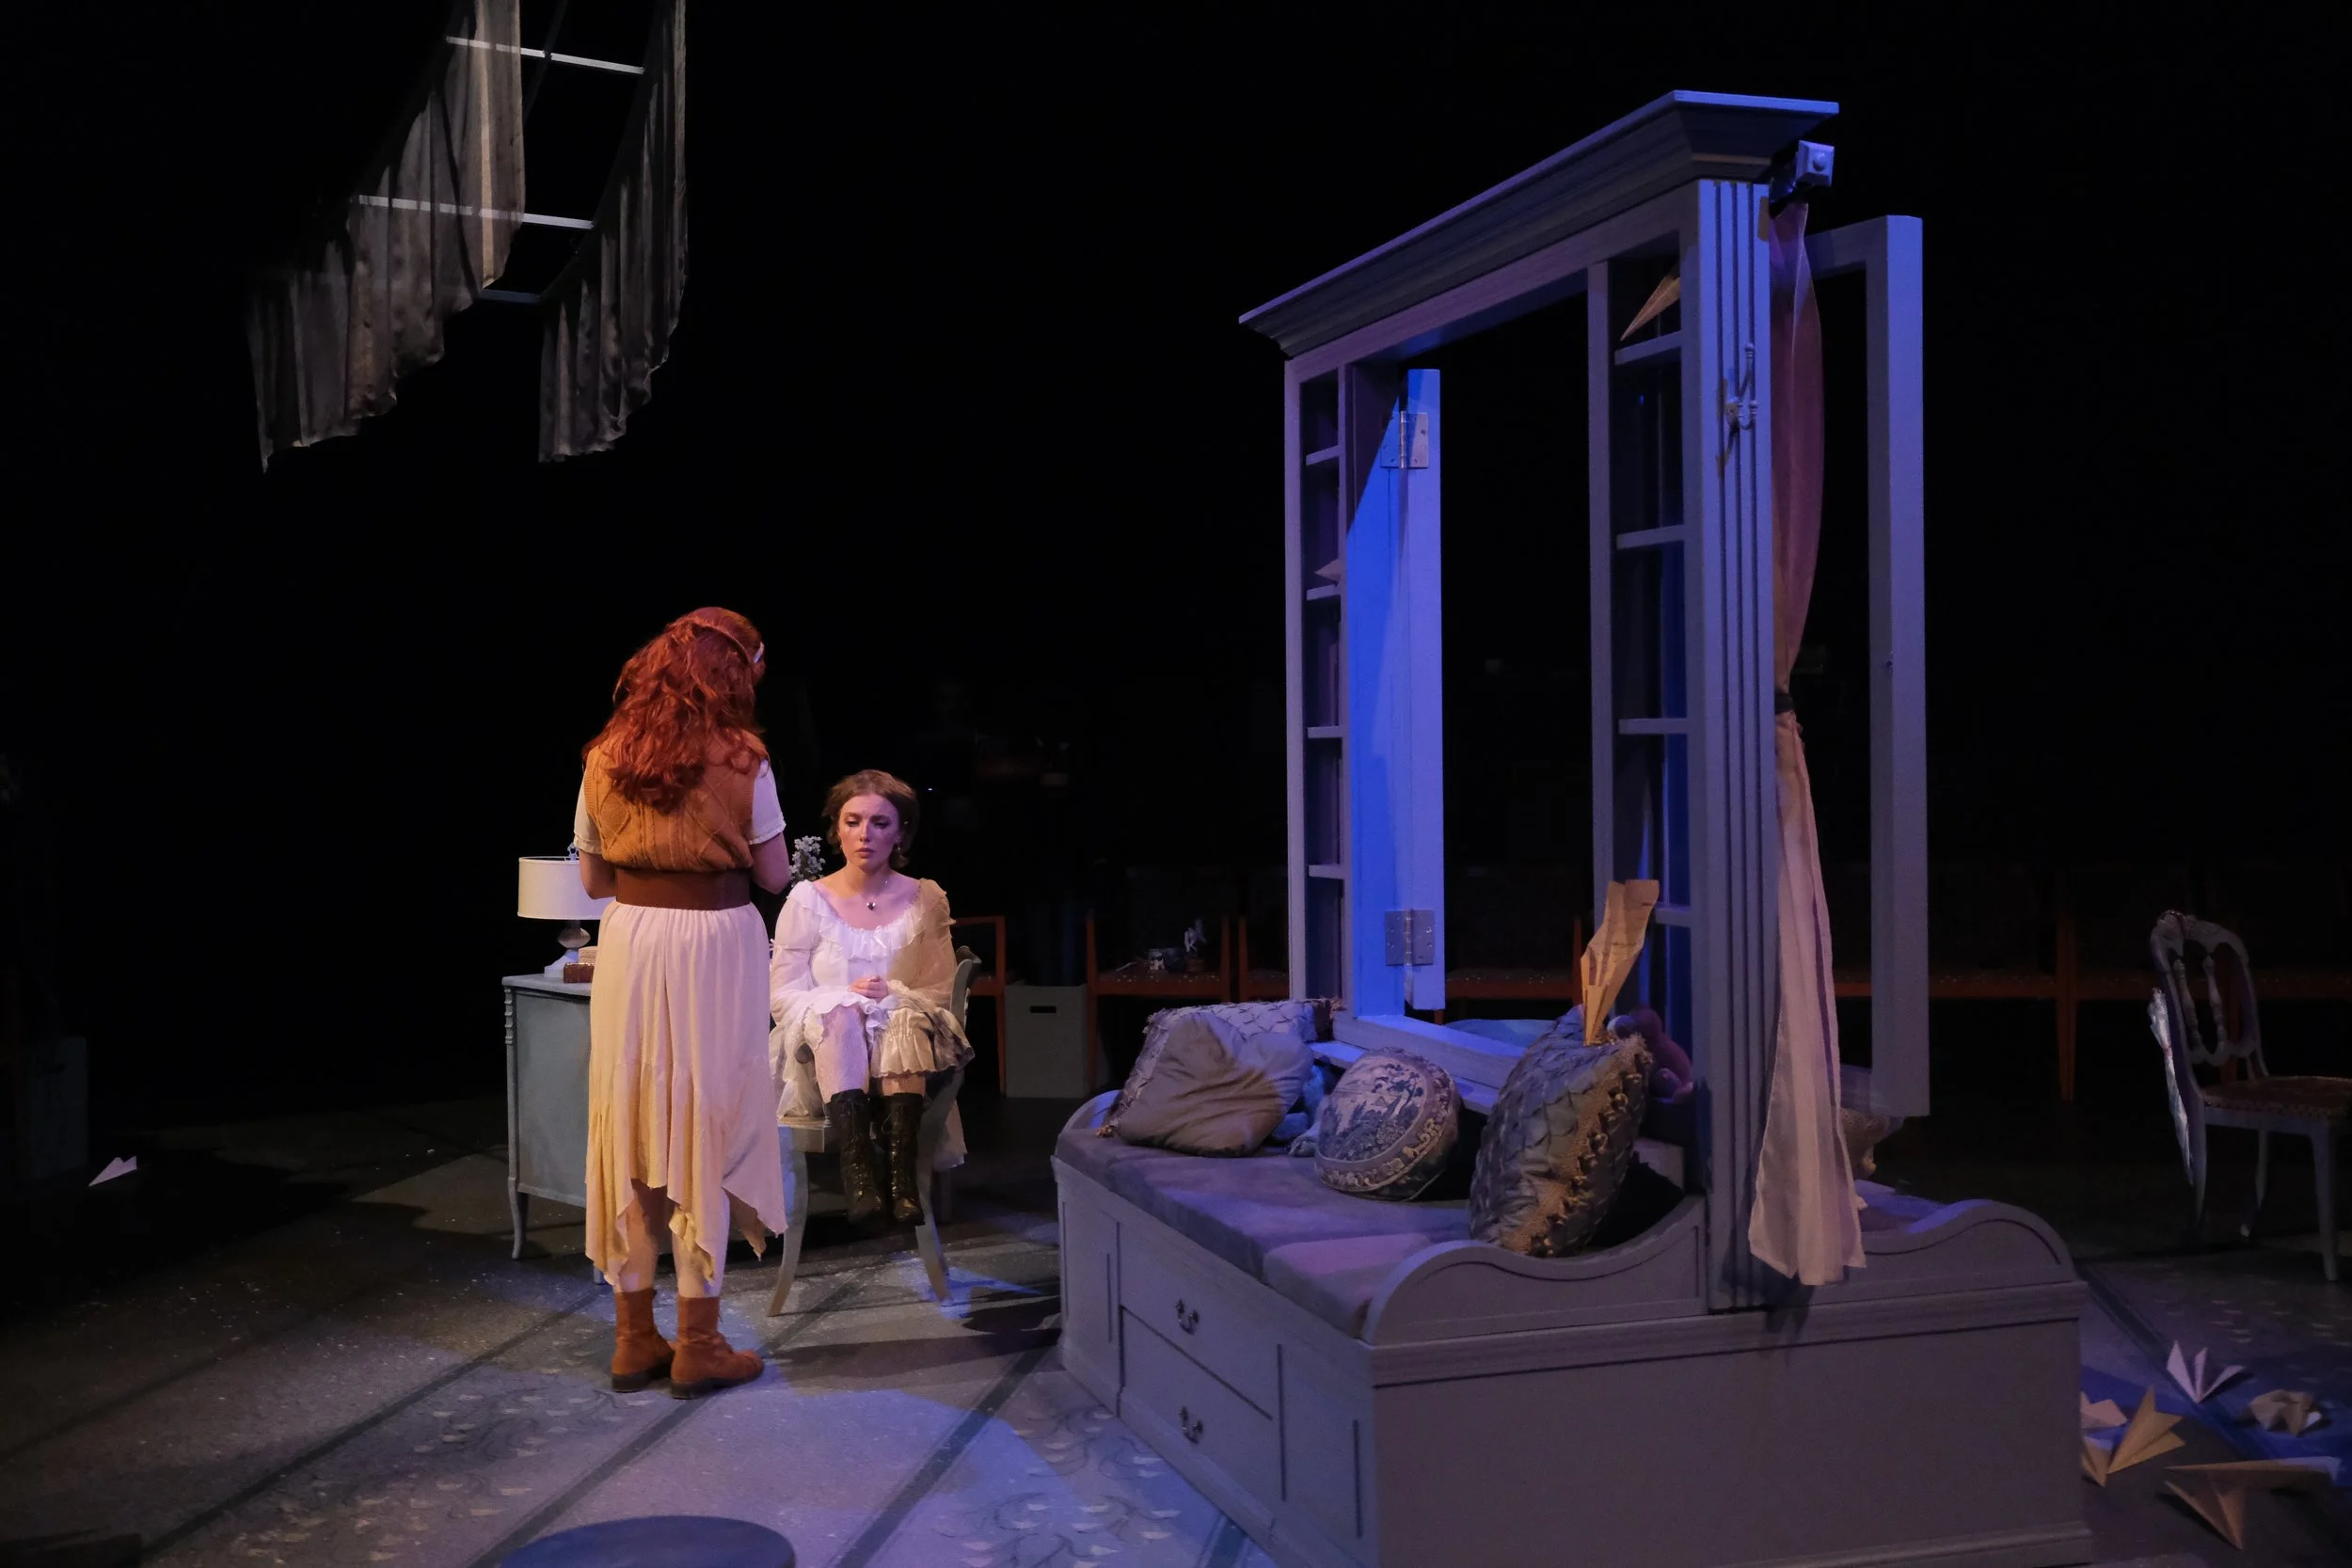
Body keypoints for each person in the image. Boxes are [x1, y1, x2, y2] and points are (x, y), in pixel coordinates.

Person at [572, 608, 792, 1399]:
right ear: (735, 674)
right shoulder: (744, 758)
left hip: (632, 941)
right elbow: (774, 875)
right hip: (715, 943)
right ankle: (699, 1343)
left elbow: (592, 880)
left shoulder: (606, 754)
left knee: (632, 1124)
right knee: (706, 1121)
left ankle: (634, 1338)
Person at [771, 769, 974, 1225]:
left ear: (901, 832)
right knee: (841, 1011)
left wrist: (892, 994)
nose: (865, 834)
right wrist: (844, 997)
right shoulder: (807, 900)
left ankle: (902, 1181)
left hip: (907, 1056)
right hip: (824, 1056)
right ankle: (859, 1173)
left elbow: (939, 991)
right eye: (853, 821)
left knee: (900, 1017)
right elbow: (783, 995)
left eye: (880, 823)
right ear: (837, 830)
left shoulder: (925, 898)